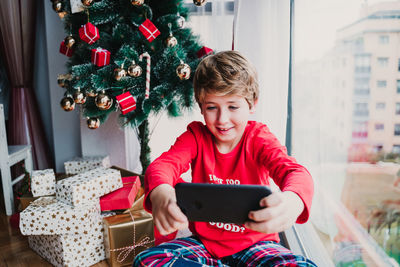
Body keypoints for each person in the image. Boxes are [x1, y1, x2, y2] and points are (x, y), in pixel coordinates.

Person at [133, 51, 316, 266]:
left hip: (258, 245)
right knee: (149, 260)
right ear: (201, 107)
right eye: (212, 107)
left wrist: (293, 201)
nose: (222, 119)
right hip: (205, 244)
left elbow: (295, 173)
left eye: (233, 107)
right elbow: (163, 166)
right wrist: (161, 192)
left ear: (252, 104)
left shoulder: (259, 138)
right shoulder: (195, 137)